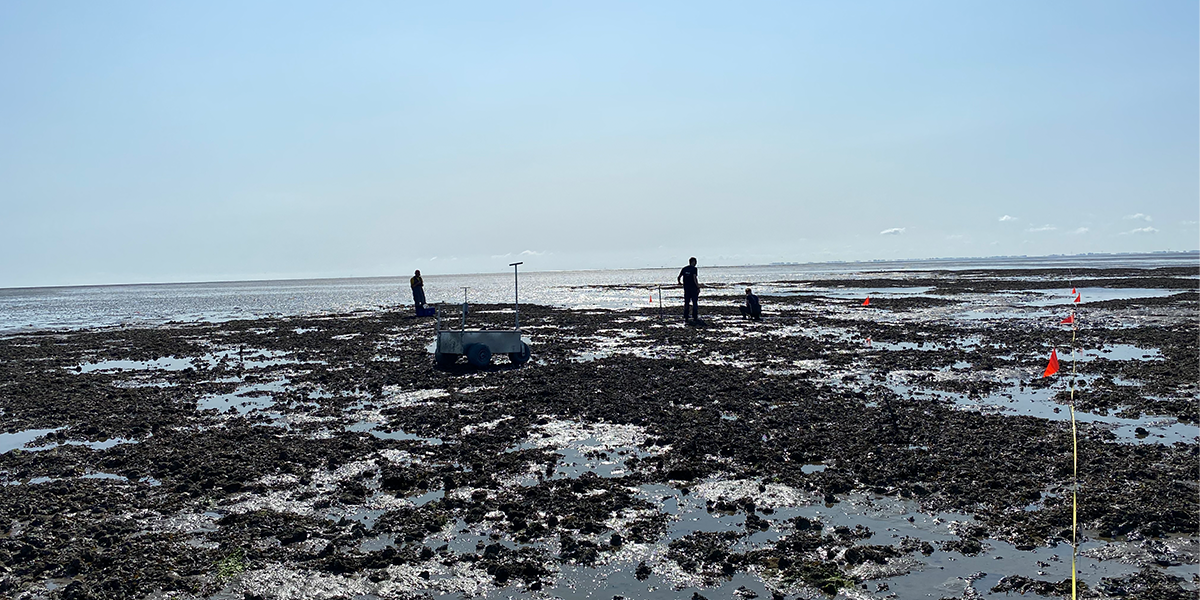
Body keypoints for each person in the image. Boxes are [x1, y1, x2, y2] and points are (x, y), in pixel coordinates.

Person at [677, 257, 700, 322]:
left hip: (686, 288)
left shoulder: (684, 269)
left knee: (687, 302)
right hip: (693, 288)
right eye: (695, 262)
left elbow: (679, 277)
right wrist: (697, 286)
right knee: (694, 302)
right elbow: (694, 278)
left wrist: (679, 282)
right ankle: (695, 316)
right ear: (693, 262)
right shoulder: (694, 269)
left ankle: (686, 315)